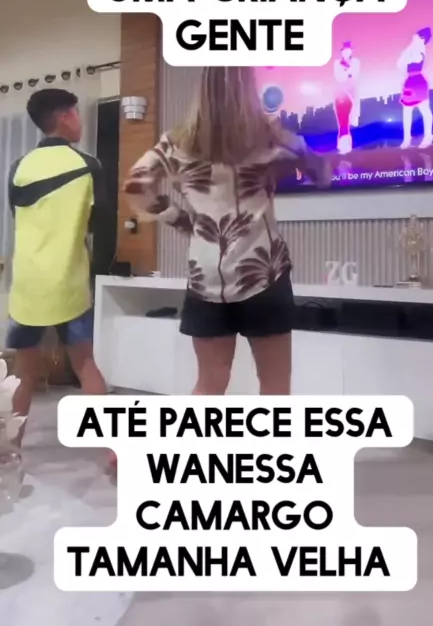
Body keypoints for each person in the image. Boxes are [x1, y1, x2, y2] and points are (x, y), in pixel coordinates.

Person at [124, 66, 329, 396]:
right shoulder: (269, 136)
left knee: (209, 383)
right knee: (275, 386)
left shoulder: (175, 142)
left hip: (206, 275)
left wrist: (182, 220)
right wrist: (297, 156)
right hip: (263, 270)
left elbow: (135, 184)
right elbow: (323, 175)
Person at [6, 88, 110, 456]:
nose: (79, 121)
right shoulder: (89, 165)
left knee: (24, 374)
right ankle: (113, 451)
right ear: (65, 117)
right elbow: (98, 224)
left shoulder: (19, 167)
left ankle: (9, 447)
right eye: (77, 113)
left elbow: (20, 219)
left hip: (28, 286)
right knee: (85, 365)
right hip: (69, 284)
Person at [398, 27, 433, 149]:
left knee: (424, 110)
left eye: (416, 36)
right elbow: (400, 63)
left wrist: (410, 48)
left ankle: (428, 136)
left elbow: (405, 60)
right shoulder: (414, 49)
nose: (413, 38)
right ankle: (407, 138)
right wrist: (410, 48)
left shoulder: (420, 51)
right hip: (410, 82)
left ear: (422, 39)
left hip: (418, 82)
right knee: (406, 111)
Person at [333, 42, 361, 155]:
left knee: (347, 119)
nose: (346, 52)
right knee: (342, 120)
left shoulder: (355, 62)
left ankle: (346, 145)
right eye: (344, 51)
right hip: (340, 93)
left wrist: (347, 73)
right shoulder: (337, 63)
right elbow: (339, 77)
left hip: (351, 93)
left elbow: (355, 75)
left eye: (348, 50)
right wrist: (347, 73)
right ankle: (343, 145)